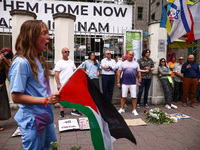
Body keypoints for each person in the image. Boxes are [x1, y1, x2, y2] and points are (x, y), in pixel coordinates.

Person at [9, 20, 60, 150]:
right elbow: (16, 97)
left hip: (46, 118)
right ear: (31, 37)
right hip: (33, 122)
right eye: (44, 33)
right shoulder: (21, 63)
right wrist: (46, 100)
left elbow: (39, 89)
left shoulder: (38, 60)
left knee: (52, 148)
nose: (49, 36)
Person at [55, 47, 82, 117]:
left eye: (68, 51)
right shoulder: (59, 63)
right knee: (62, 98)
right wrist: (58, 84)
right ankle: (62, 111)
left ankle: (74, 110)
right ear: (62, 53)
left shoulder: (71, 62)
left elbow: (74, 71)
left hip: (71, 84)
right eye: (66, 52)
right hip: (62, 83)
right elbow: (56, 74)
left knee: (73, 97)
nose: (67, 53)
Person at [117, 51, 141, 116]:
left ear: (133, 56)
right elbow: (119, 73)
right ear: (127, 55)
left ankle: (134, 110)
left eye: (132, 55)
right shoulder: (123, 63)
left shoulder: (136, 64)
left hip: (133, 83)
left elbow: (139, 73)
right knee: (123, 96)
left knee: (134, 97)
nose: (131, 56)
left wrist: (139, 81)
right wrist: (118, 82)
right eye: (130, 54)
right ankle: (122, 108)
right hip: (124, 83)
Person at [0, 48, 13, 131]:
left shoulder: (7, 64)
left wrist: (9, 63)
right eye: (4, 54)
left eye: (7, 55)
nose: (5, 56)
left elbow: (10, 77)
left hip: (2, 86)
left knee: (1, 106)